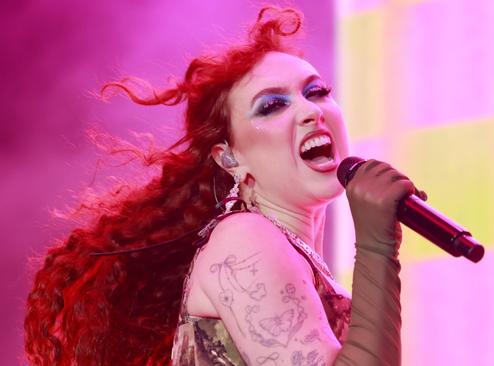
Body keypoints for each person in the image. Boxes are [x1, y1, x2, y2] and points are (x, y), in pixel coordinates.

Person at [24, 7, 424, 365]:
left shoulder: (287, 252)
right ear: (230, 158)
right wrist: (376, 243)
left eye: (316, 92)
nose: (309, 111)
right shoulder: (245, 238)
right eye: (272, 105)